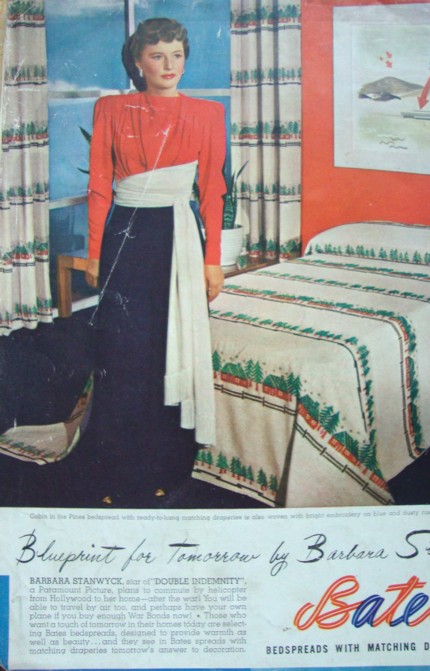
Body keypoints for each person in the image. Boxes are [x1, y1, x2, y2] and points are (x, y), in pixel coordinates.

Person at [84, 18, 226, 506]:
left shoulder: (207, 112)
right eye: (157, 56)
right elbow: (99, 184)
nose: (169, 66)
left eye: (176, 55)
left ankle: (168, 467)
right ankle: (114, 472)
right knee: (122, 354)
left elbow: (212, 191)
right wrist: (94, 253)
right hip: (126, 234)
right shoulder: (110, 108)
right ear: (138, 62)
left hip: (178, 234)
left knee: (169, 351)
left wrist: (213, 260)